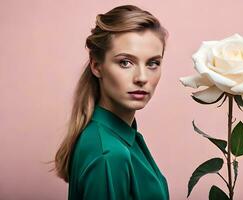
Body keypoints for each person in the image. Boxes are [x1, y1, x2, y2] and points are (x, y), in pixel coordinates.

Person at [53, 4, 169, 200]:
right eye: (125, 62)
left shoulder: (118, 136)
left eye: (153, 63)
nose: (142, 77)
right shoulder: (110, 154)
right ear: (97, 66)